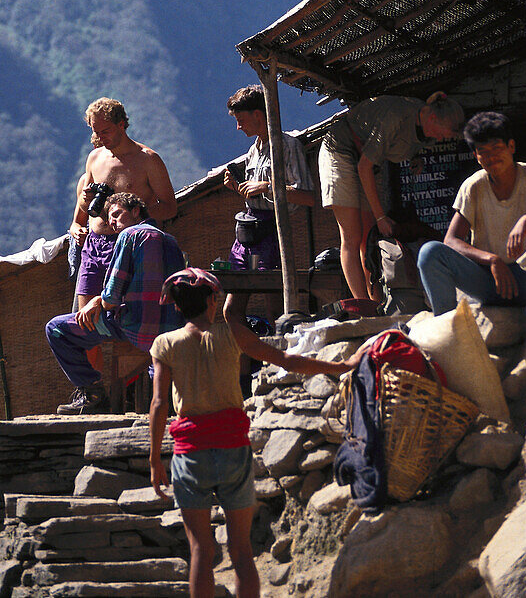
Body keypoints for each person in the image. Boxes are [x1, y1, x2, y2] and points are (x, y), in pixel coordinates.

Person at [149, 269, 357, 598]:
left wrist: (153, 461)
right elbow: (287, 359)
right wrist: (341, 366)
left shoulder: (165, 344)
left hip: (190, 452)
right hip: (233, 448)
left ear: (176, 307)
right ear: (211, 301)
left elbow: (160, 403)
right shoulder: (231, 334)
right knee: (241, 549)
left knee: (201, 550)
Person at [46, 191, 184, 414]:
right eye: (110, 219)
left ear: (136, 211)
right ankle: (163, 400)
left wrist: (97, 302)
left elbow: (111, 297)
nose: (112, 222)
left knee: (56, 329)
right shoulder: (170, 240)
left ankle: (93, 394)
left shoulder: (129, 236)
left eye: (117, 214)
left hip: (133, 328)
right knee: (155, 361)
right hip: (171, 329)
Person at [318, 92, 464, 301]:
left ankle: (376, 302)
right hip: (340, 151)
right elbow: (364, 166)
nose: (440, 139)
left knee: (367, 239)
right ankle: (363, 308)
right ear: (432, 118)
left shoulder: (424, 120)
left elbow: (408, 141)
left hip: (362, 159)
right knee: (352, 237)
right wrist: (381, 217)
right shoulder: (396, 116)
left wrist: (416, 157)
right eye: (442, 134)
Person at [417, 111, 526, 315]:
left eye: (497, 148)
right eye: (483, 151)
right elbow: (451, 240)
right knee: (430, 253)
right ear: (475, 156)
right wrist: (492, 259)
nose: (491, 157)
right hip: (491, 282)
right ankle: (448, 327)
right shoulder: (474, 186)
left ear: (511, 147)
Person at [70, 98, 177, 316]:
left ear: (121, 124)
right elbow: (84, 203)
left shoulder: (148, 160)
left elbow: (169, 207)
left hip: (130, 247)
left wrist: (135, 216)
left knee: (122, 318)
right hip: (94, 245)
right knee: (83, 319)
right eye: (96, 131)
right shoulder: (94, 158)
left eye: (105, 131)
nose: (100, 137)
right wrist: (82, 210)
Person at [223, 83, 313, 268]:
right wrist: (239, 188)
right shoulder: (252, 152)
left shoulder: (288, 146)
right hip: (247, 229)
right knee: (237, 286)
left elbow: (308, 197)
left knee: (270, 287)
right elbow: (255, 195)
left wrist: (268, 187)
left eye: (241, 120)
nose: (238, 127)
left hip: (275, 229)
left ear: (257, 114)